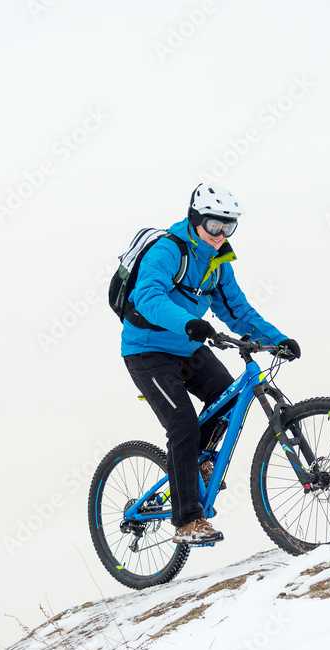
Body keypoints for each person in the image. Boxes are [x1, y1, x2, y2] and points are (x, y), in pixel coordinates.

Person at [120, 183, 301, 544]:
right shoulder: (169, 251)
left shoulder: (218, 265)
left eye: (228, 227)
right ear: (195, 220)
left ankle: (195, 463)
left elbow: (238, 312)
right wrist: (187, 322)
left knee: (228, 395)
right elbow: (148, 296)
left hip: (187, 348)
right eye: (214, 225)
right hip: (146, 351)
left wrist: (276, 339)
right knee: (182, 424)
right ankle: (188, 521)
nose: (221, 235)